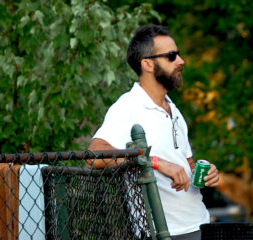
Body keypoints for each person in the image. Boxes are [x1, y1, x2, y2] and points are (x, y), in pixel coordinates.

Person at [88, 24, 219, 240]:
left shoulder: (173, 108)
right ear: (147, 64)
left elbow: (186, 164)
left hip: (200, 224)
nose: (181, 61)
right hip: (164, 233)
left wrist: (204, 172)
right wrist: (155, 163)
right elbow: (93, 156)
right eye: (171, 56)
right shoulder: (129, 106)